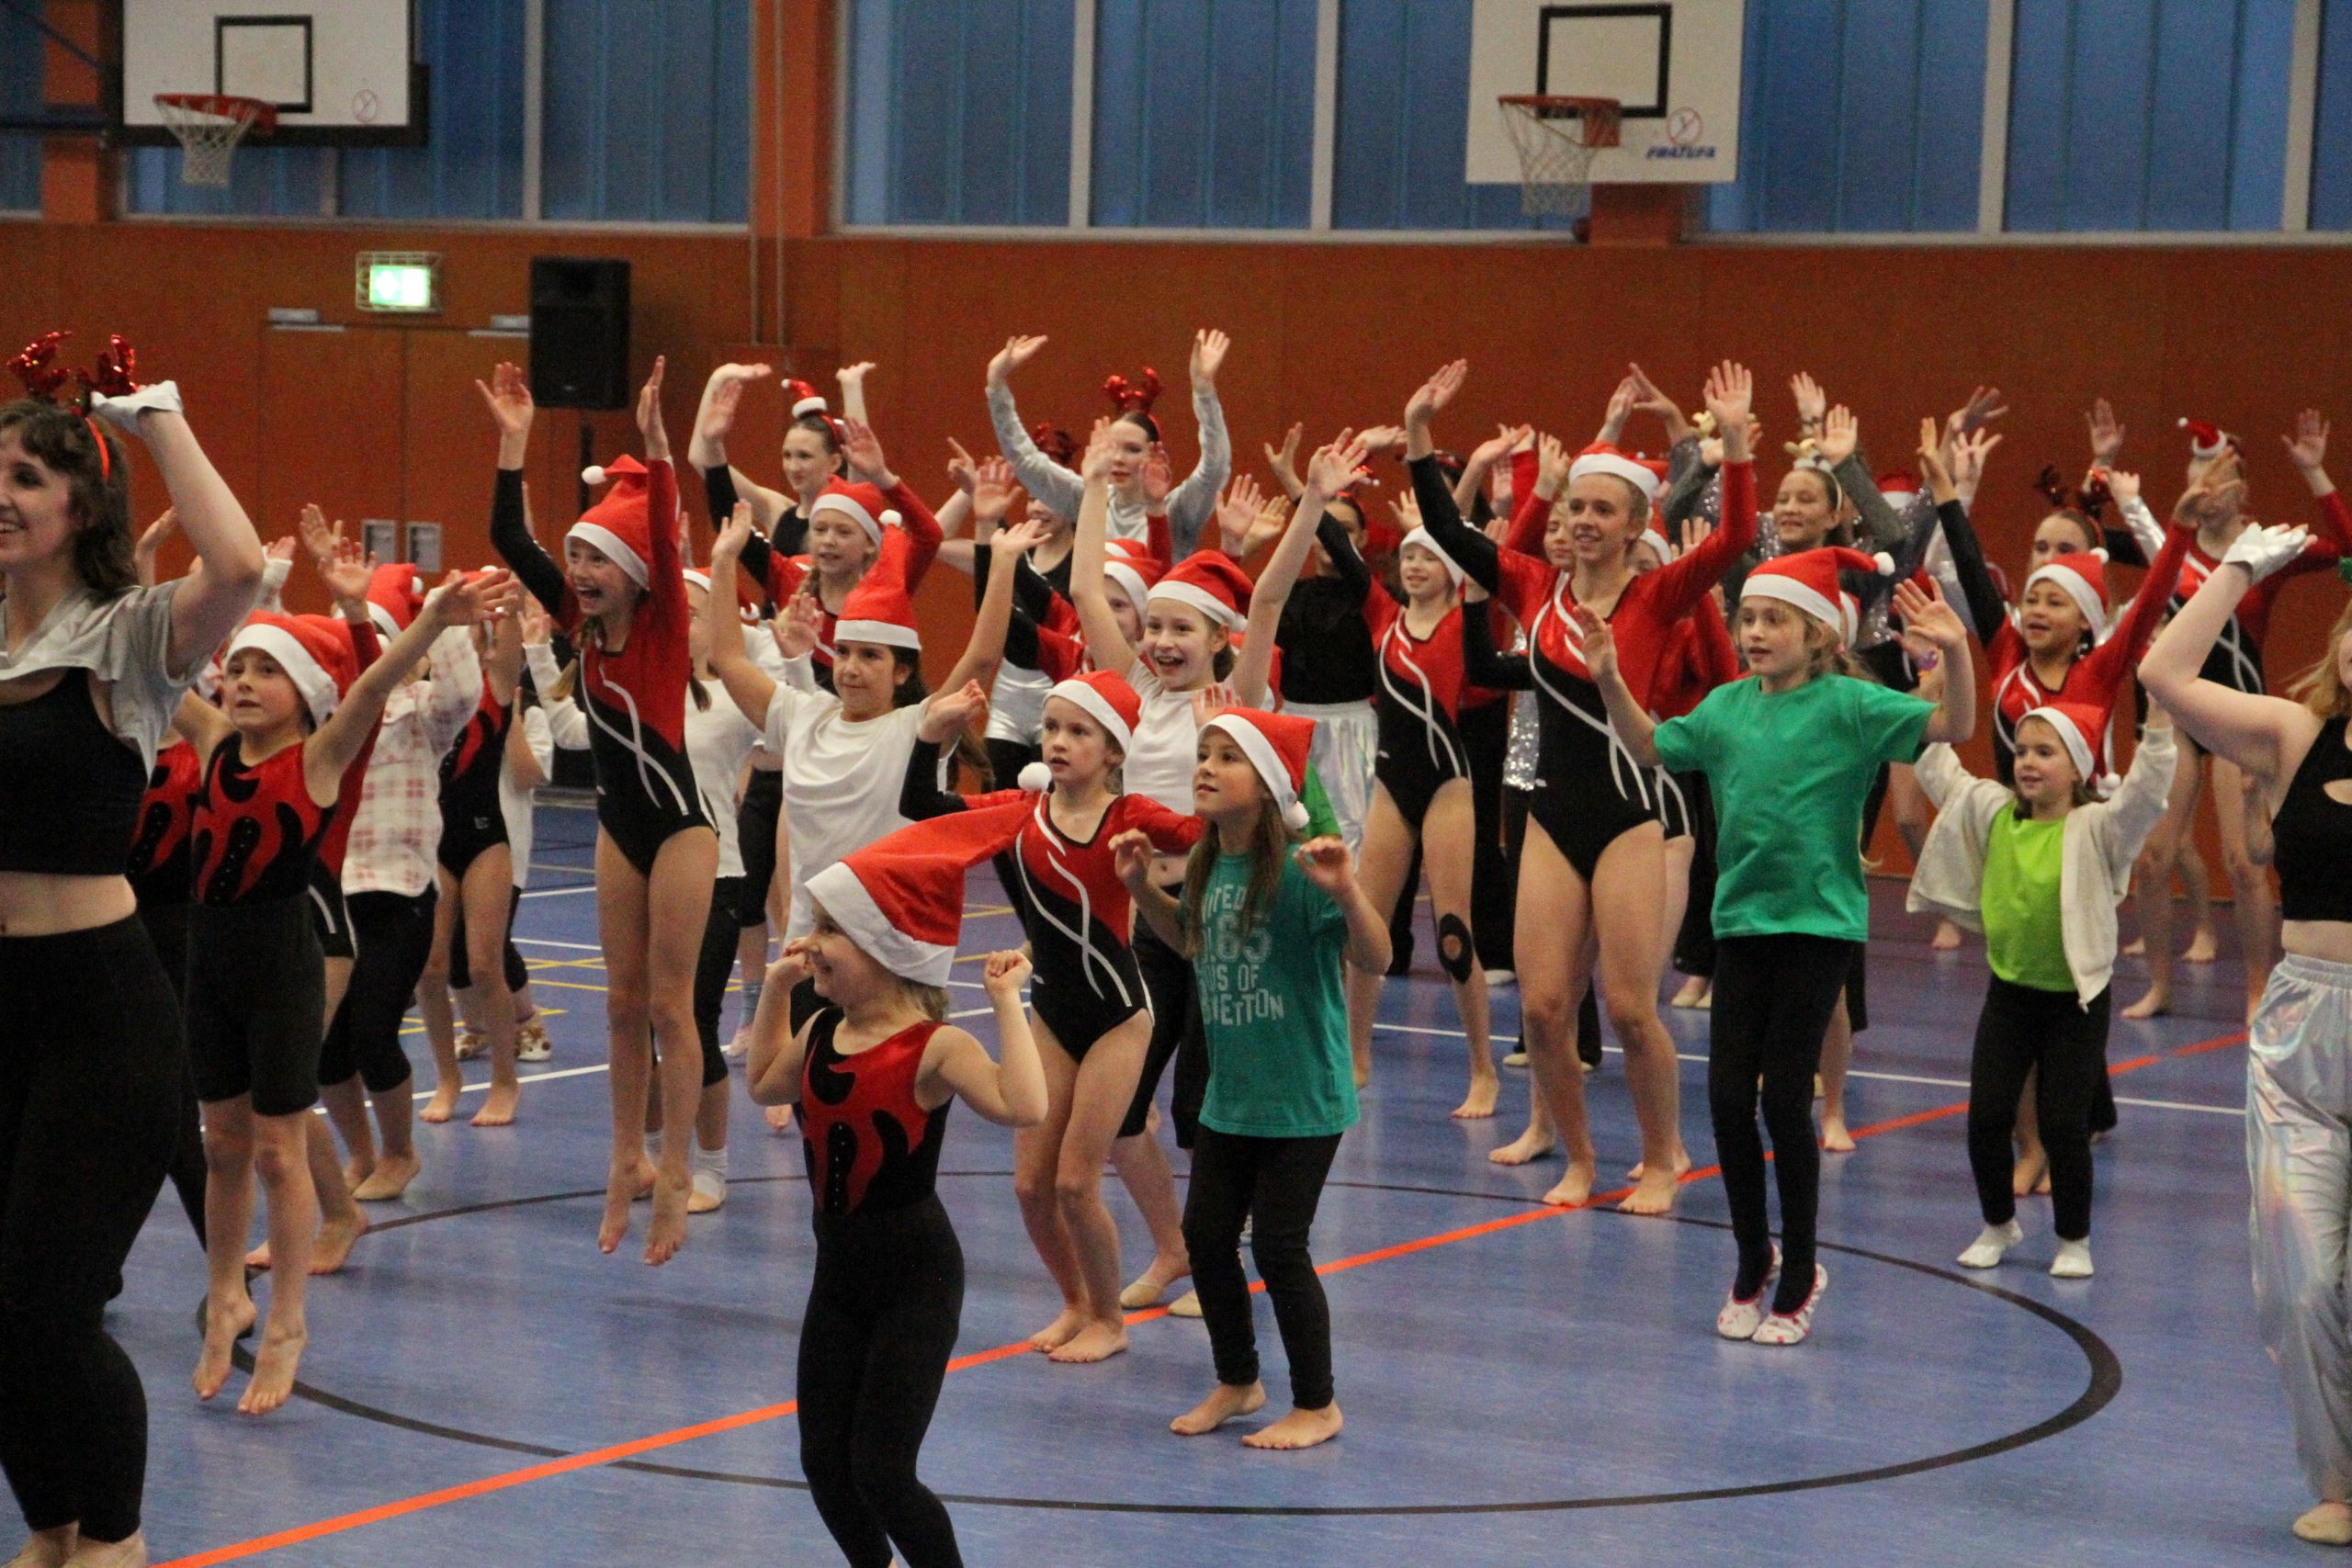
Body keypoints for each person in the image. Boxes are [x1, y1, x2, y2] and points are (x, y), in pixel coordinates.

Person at [0, 351, 264, 1568]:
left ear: (82, 505)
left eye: (27, 476)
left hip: (100, 1015)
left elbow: (240, 566)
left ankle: (114, 1538)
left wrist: (159, 422)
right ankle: (51, 1529)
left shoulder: (127, 639)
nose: (3, 495)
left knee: (52, 1304)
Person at [1591, 551, 1975, 1345]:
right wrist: (1608, 680)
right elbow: (1651, 747)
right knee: (1729, 1100)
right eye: (1749, 618)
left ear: (1820, 633)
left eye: (1776, 619)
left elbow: (1955, 726)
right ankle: (1752, 1258)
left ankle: (1800, 1268)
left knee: (1781, 1099)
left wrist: (1957, 653)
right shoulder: (1726, 708)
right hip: (1742, 924)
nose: (1757, 632)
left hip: (1818, 925)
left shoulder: (1851, 705)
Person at [1408, 359, 1757, 1213]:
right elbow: (1449, 532)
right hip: (1552, 814)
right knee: (1543, 1007)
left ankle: (1662, 1159)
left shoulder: (1659, 594)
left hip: (1631, 814)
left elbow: (1735, 538)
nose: (1586, 522)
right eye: (1577, 508)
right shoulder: (1535, 583)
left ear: (1637, 524)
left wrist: (1735, 442)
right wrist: (1419, 432)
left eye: (1604, 509)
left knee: (1632, 1009)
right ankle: (1579, 1156)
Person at [180, 572, 514, 1416]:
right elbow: (150, 662)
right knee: (221, 1145)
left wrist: (431, 621)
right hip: (208, 962)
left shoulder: (321, 757)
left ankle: (287, 1319)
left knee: (276, 1149)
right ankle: (226, 1296)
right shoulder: (213, 740)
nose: (244, 681)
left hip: (282, 967)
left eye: (268, 669)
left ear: (306, 692)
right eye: (238, 666)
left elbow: (370, 688)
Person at [1065, 419, 1363, 1310]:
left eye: (1179, 628)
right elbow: (1083, 587)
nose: (1159, 641)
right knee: (1123, 1109)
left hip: (1229, 925)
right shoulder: (1133, 693)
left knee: (1206, 1108)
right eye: (1152, 625)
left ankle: (1222, 1251)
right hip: (1151, 924)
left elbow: (1265, 600)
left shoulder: (1237, 700)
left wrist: (1311, 504)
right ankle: (1180, 1247)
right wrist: (1092, 483)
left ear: (1219, 639)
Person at [2134, 438, 2352, 1547]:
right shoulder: (2295, 734)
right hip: (2303, 1031)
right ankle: (2338, 1477)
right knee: (2297, 1282)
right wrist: (2234, 570)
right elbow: (2164, 679)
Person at [743, 815, 1046, 1568]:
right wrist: (776, 988)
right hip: (839, 1278)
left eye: (832, 931)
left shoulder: (935, 1046)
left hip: (917, 1282)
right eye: (816, 926)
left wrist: (1007, 1002)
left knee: (881, 1469)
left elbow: (1025, 1105)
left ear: (887, 949)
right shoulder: (821, 1031)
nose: (812, 942)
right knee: (824, 1462)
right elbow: (763, 1083)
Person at [899, 669, 1205, 1362]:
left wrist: (1215, 753)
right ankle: (1078, 1303)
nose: (1059, 742)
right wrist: (929, 736)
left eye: (1079, 732)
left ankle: (1111, 1323)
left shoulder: (1130, 816)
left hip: (1118, 1017)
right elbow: (921, 804)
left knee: (1075, 1182)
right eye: (1053, 728)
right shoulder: (1018, 811)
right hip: (1052, 1015)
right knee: (1031, 1186)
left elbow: (1206, 830)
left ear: (1115, 751)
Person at [483, 356, 717, 1264]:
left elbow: (661, 534)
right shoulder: (578, 623)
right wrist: (515, 441)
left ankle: (678, 1170)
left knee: (670, 1007)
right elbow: (510, 535)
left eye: (595, 559)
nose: (577, 572)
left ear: (634, 572)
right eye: (575, 556)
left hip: (683, 831)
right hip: (621, 830)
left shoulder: (662, 626)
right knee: (622, 1005)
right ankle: (628, 1159)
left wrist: (657, 446)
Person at [1117, 706, 1388, 1450]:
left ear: (1268, 784)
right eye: (1203, 753)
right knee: (1206, 1238)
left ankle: (1317, 1403)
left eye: (1228, 757)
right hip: (1231, 1097)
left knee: (1278, 1246)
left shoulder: (1301, 871)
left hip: (1303, 1098)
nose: (1206, 766)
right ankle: (1238, 1380)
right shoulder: (1208, 864)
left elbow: (1376, 956)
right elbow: (1191, 939)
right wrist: (1141, 888)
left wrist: (1347, 892)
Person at [1907, 700, 2176, 1279]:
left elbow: (2146, 796)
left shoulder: (2099, 828)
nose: (2028, 762)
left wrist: (2157, 726)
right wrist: (1927, 699)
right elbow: (1939, 770)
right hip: (2010, 994)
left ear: (2077, 767)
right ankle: (1997, 1225)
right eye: (2022, 751)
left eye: (2045, 753)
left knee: (2062, 1124)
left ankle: (2074, 1239)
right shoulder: (1995, 812)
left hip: (2075, 1003)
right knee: (1986, 1118)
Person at [2128, 414, 2352, 1020]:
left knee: (2245, 863)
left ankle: (2258, 988)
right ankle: (2160, 984)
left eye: (2216, 481)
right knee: (2153, 859)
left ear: (2241, 489)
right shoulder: (2175, 550)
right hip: (2182, 717)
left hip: (2241, 715)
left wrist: (2314, 473)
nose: (2204, 493)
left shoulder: (2268, 549)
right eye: (2194, 481)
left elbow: (2348, 549)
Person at [986, 329, 1232, 558]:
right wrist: (996, 385)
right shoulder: (1089, 499)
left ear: (1155, 454)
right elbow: (1025, 461)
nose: (1118, 459)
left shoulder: (1177, 510)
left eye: (1132, 449)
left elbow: (1216, 467)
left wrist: (1204, 392)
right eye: (1112, 448)